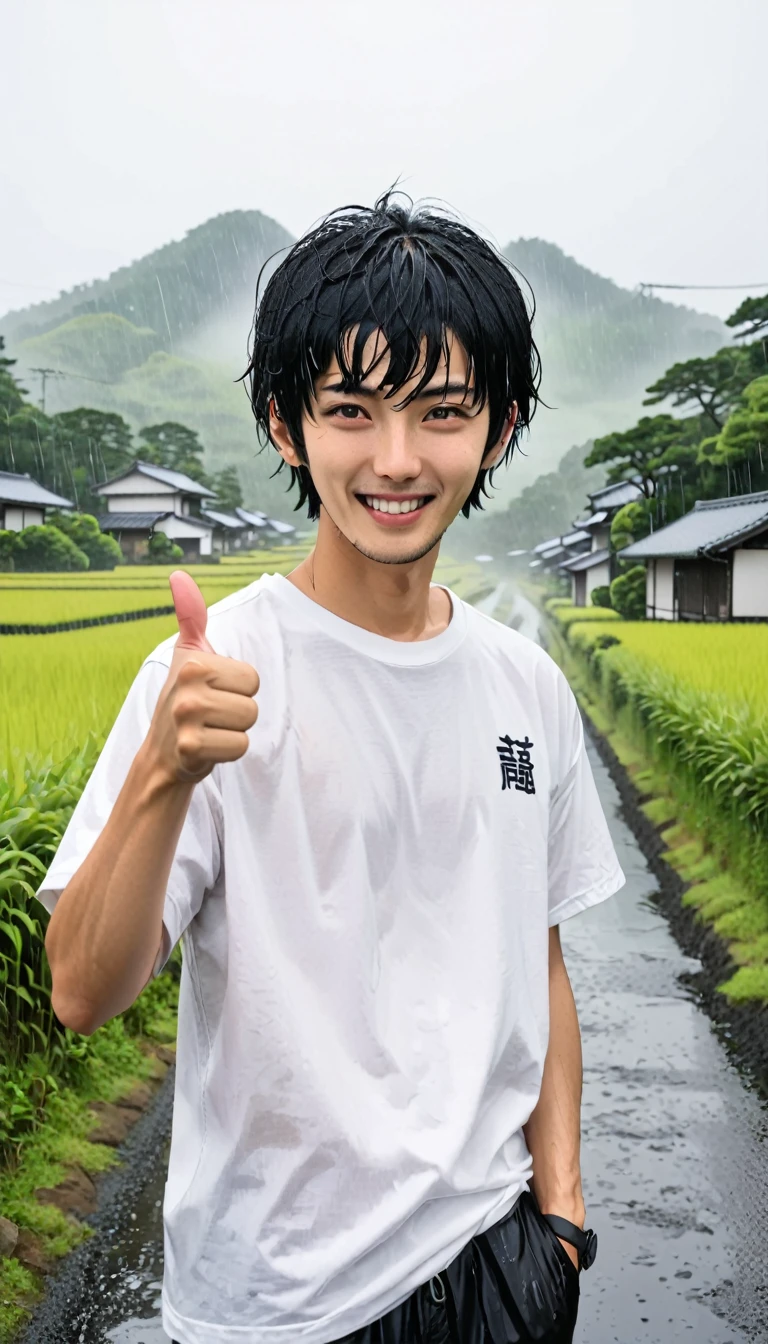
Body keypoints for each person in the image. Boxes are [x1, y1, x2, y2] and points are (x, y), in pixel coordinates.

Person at [37, 191, 625, 1344]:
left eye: (442, 412)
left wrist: (561, 1211)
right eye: (352, 410)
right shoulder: (211, 673)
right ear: (284, 423)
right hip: (276, 1302)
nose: (396, 460)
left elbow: (538, 958)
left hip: (502, 1264)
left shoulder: (526, 685)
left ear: (499, 428)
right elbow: (79, 994)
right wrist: (163, 773)